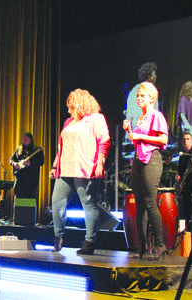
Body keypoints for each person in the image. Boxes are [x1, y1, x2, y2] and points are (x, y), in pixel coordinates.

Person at [49, 89, 110, 255]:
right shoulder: (69, 122)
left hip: (86, 169)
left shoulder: (96, 119)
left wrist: (100, 163)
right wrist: (55, 166)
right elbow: (61, 147)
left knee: (88, 205)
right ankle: (58, 236)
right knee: (57, 202)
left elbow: (104, 142)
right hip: (66, 169)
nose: (68, 110)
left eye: (71, 106)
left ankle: (90, 241)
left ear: (80, 104)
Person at [123, 82, 168, 259]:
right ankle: (140, 247)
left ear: (151, 97)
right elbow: (136, 141)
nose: (139, 99)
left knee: (150, 202)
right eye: (137, 96)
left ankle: (160, 244)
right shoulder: (140, 118)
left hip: (152, 159)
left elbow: (163, 140)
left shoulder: (156, 116)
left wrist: (140, 135)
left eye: (142, 96)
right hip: (138, 159)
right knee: (139, 203)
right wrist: (129, 131)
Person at [10, 132, 45, 202]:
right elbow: (11, 159)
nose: (24, 141)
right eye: (23, 139)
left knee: (30, 200)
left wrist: (30, 164)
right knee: (18, 199)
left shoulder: (37, 150)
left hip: (31, 180)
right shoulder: (19, 149)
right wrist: (15, 164)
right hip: (20, 179)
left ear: (30, 140)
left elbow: (41, 162)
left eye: (26, 139)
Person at [126, 62, 158, 131]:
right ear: (149, 76)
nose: (155, 77)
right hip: (142, 127)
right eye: (154, 74)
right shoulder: (139, 90)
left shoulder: (135, 90)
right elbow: (130, 112)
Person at [176, 132, 192, 224]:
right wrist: (179, 178)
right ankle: (187, 227)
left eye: (188, 139)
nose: (186, 141)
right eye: (184, 139)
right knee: (186, 207)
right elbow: (180, 171)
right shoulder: (183, 156)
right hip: (187, 185)